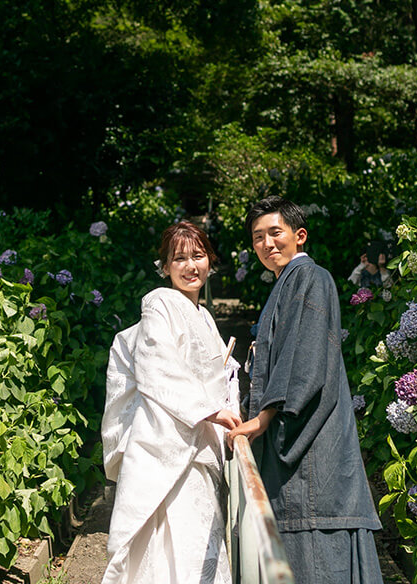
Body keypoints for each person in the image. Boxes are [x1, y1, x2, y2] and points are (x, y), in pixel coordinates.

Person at [228, 196, 384, 584]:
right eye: (258, 237)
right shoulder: (288, 283)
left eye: (275, 233)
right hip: (298, 442)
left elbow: (306, 358)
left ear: (300, 235)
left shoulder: (311, 278)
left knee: (316, 556)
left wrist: (262, 419)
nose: (267, 244)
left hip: (312, 447)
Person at [101, 221, 242, 584]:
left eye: (198, 256)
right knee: (174, 544)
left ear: (211, 261)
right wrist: (212, 410)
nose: (190, 266)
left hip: (201, 442)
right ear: (164, 267)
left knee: (201, 542)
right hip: (170, 442)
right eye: (179, 258)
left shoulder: (205, 316)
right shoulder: (159, 302)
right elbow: (156, 365)